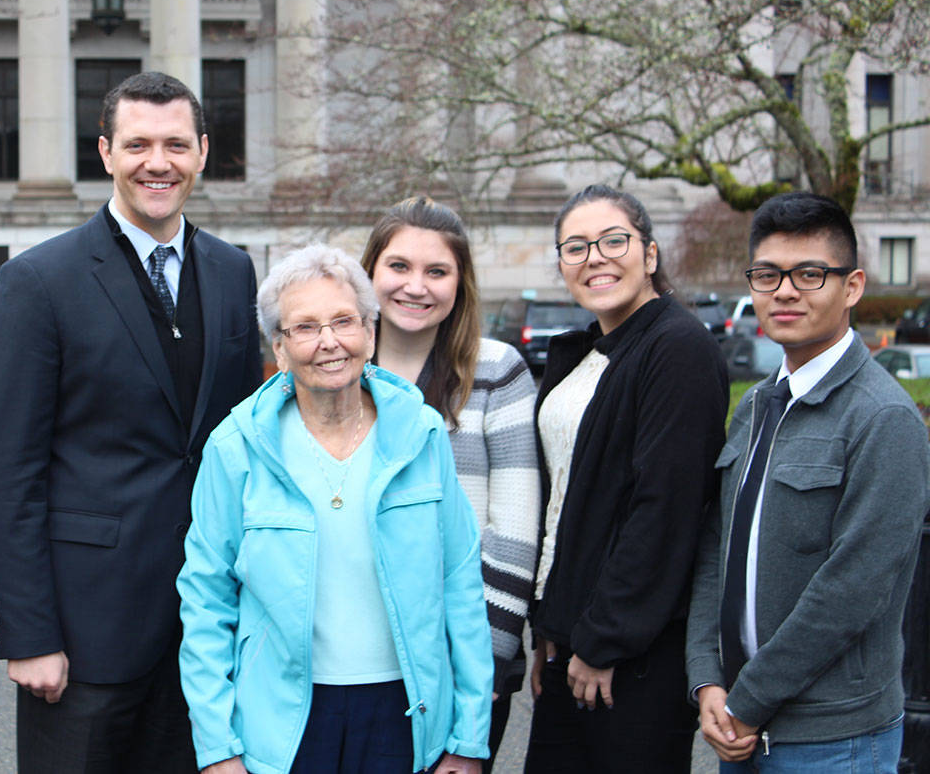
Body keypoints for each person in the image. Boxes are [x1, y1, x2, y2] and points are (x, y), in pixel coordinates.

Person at [0, 71, 264, 773]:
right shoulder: (37, 281)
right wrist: (29, 633)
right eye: (138, 144)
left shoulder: (234, 272)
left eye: (174, 144)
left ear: (201, 151)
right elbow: (9, 472)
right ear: (105, 152)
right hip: (84, 634)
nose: (156, 162)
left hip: (207, 626)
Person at [178, 244, 493, 774]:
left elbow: (460, 586)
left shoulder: (421, 434)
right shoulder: (236, 448)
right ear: (278, 346)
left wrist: (469, 737)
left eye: (344, 321)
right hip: (284, 723)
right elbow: (206, 599)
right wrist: (218, 748)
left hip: (405, 714)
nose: (329, 342)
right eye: (305, 327)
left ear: (370, 333)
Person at [687, 191, 930, 773]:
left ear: (852, 287)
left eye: (810, 273)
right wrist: (706, 682)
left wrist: (745, 701)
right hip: (738, 727)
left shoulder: (883, 418)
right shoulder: (755, 408)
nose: (786, 291)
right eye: (768, 274)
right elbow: (716, 553)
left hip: (834, 740)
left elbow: (851, 591)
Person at [524, 184, 728, 773]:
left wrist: (604, 640)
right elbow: (569, 501)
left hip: (630, 655)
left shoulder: (677, 347)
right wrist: (554, 631)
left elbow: (663, 510)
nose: (595, 257)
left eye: (614, 241)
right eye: (576, 247)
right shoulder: (596, 350)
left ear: (651, 254)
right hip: (575, 640)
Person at [360, 196, 540, 767]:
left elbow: (511, 532)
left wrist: (478, 660)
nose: (416, 286)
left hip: (461, 653)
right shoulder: (337, 370)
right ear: (369, 273)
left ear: (460, 284)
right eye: (399, 266)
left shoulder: (496, 372)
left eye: (437, 271)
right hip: (355, 657)